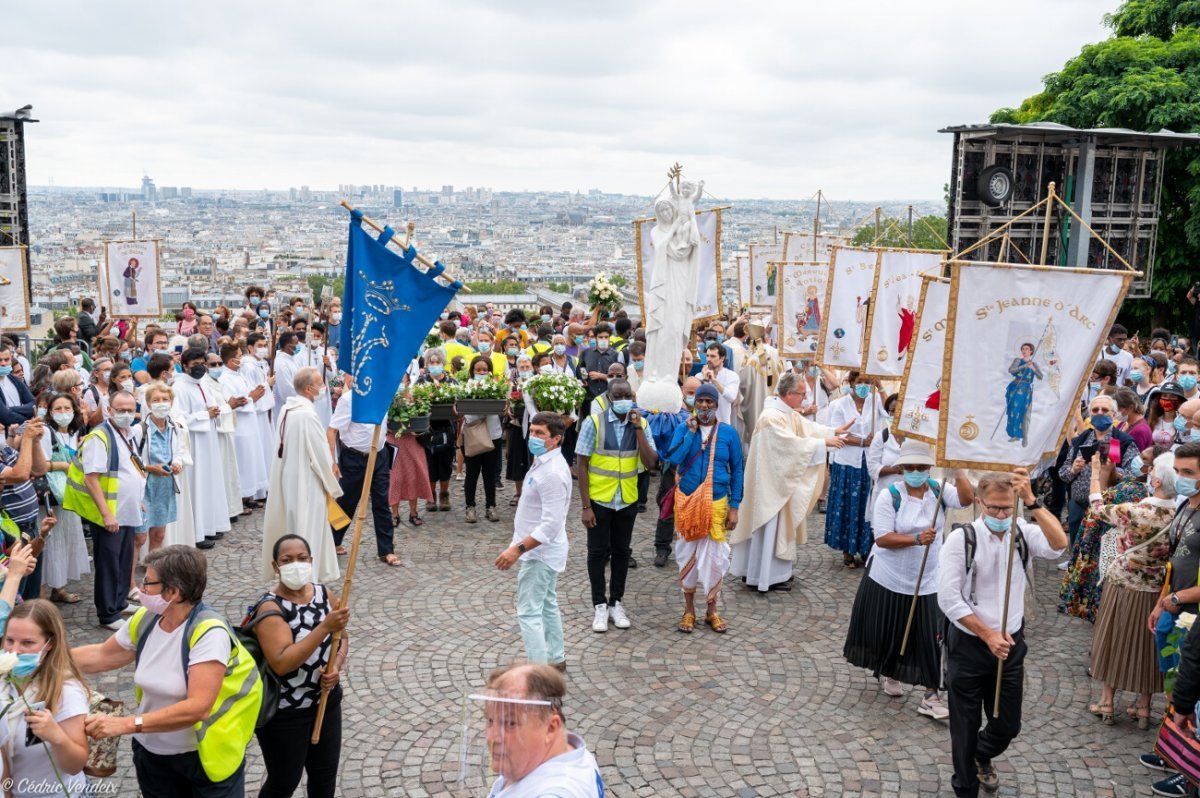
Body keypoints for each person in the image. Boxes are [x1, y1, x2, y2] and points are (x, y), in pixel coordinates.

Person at [75, 545, 262, 798]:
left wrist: (125, 724)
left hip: (203, 760)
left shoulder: (209, 632)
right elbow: (102, 655)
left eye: (148, 583)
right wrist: (45, 658)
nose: (141, 589)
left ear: (173, 592)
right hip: (153, 757)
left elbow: (198, 707)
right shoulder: (147, 618)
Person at [937, 469, 1067, 797]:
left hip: (1010, 644)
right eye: (994, 508)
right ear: (979, 503)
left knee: (1008, 725)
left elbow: (1059, 545)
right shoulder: (961, 539)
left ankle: (982, 754)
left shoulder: (1022, 531)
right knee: (964, 726)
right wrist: (986, 634)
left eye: (1007, 508)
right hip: (969, 644)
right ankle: (964, 786)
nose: (1000, 515)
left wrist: (1032, 502)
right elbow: (949, 598)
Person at [844, 440, 973, 720]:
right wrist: (916, 539)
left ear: (929, 468)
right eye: (911, 468)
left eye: (922, 467)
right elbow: (881, 537)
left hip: (928, 578)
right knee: (890, 627)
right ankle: (890, 671)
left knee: (929, 634)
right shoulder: (889, 496)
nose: (916, 471)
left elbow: (966, 499)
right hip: (889, 575)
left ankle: (930, 695)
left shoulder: (938, 490)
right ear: (902, 469)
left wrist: (959, 470)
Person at [730, 371, 848, 592]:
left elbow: (808, 428)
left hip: (780, 481)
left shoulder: (787, 413)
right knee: (769, 527)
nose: (804, 399)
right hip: (769, 485)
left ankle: (774, 574)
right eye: (802, 394)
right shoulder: (771, 417)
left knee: (779, 528)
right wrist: (823, 443)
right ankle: (761, 575)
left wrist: (833, 431)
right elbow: (789, 445)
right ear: (788, 394)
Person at [251, 535, 349, 798]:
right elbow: (282, 663)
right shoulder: (270, 609)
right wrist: (324, 627)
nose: (296, 564)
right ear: (276, 566)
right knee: (284, 781)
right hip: (286, 713)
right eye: (287, 560)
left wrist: (336, 667)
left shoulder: (324, 594)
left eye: (302, 558)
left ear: (311, 561)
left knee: (325, 776)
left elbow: (342, 639)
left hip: (326, 701)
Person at [1083, 449, 1175, 729]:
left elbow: (1097, 509)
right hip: (1156, 590)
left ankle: (1107, 702)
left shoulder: (1136, 511)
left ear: (1156, 482)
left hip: (1123, 583)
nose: (1150, 475)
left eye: (1153, 472)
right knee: (1147, 648)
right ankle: (1144, 707)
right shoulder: (1180, 514)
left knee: (1113, 638)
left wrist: (1096, 475)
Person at [575, 379, 657, 633]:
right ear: (609, 398)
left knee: (622, 552)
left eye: (627, 395)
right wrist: (585, 506)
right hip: (599, 500)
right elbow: (582, 465)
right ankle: (599, 604)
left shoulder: (641, 424)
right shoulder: (594, 422)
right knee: (597, 553)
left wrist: (638, 430)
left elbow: (651, 462)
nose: (623, 399)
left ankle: (616, 602)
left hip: (627, 500)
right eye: (618, 395)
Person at [662, 383, 743, 633]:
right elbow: (672, 459)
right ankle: (689, 611)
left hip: (717, 502)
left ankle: (712, 610)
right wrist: (689, 432)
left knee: (715, 559)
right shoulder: (683, 428)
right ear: (693, 404)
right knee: (687, 555)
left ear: (717, 405)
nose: (705, 406)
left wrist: (735, 506)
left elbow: (738, 469)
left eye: (709, 402)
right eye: (701, 401)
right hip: (687, 501)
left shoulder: (728, 433)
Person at [494, 413, 572, 671]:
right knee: (547, 603)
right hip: (542, 552)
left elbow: (550, 525)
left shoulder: (551, 472)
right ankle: (555, 657)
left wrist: (516, 550)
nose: (533, 437)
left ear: (556, 439)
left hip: (540, 554)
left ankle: (538, 671)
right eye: (533, 431)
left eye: (541, 433)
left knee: (529, 611)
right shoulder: (544, 461)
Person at [62, 391, 145, 630]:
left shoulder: (127, 433)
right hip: (110, 512)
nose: (126, 414)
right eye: (121, 410)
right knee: (108, 562)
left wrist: (137, 499)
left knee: (124, 558)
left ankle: (120, 601)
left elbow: (131, 468)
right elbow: (91, 478)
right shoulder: (100, 437)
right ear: (109, 410)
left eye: (130, 409)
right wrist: (106, 514)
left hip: (127, 509)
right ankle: (108, 613)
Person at [2, 599, 91, 797]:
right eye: (9, 640)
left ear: (51, 644)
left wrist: (56, 736)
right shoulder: (4, 682)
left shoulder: (65, 692)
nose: (14, 650)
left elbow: (76, 765)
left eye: (27, 643)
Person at [264, 367, 343, 584]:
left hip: (289, 477)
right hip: (307, 481)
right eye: (320, 384)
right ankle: (309, 577)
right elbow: (320, 454)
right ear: (309, 389)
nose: (323, 388)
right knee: (309, 526)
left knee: (295, 523)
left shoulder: (288, 409)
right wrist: (331, 483)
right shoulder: (307, 414)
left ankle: (299, 574)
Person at [476, 664, 603, 797]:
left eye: (510, 723)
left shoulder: (556, 793)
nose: (492, 736)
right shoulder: (577, 754)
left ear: (550, 728)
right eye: (490, 720)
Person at [328, 383, 398, 566]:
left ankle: (386, 549)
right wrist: (332, 461)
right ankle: (332, 541)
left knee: (382, 502)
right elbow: (332, 430)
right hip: (354, 457)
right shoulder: (348, 399)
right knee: (346, 502)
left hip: (379, 455)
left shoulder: (383, 393)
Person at [1060, 393, 1137, 553]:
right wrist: (1073, 469)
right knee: (1076, 551)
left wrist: (1114, 471)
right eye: (1095, 410)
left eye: (1105, 410)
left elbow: (1134, 477)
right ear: (1090, 414)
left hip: (1108, 510)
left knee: (1099, 554)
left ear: (1114, 414)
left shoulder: (1123, 441)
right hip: (1078, 506)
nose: (1100, 413)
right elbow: (1063, 473)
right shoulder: (1081, 439)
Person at [825, 372, 887, 568]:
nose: (864, 386)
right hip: (848, 462)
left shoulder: (875, 401)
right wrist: (861, 441)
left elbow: (892, 411)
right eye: (860, 382)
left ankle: (867, 547)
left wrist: (881, 386)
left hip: (870, 462)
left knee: (867, 505)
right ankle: (848, 550)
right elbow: (837, 432)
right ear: (851, 383)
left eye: (867, 383)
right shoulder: (840, 404)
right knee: (848, 504)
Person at [173, 348, 230, 549]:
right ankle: (196, 531)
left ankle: (210, 525)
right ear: (185, 366)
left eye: (202, 363)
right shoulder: (179, 387)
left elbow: (212, 405)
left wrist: (215, 411)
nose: (199, 368)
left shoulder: (202, 383)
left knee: (210, 482)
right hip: (194, 441)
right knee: (197, 484)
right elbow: (180, 418)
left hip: (209, 439)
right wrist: (205, 415)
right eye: (195, 364)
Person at [41, 393, 90, 605]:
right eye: (58, 409)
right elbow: (41, 464)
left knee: (66, 539)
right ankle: (40, 592)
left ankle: (58, 587)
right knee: (49, 541)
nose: (63, 413)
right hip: (52, 496)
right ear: (50, 412)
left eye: (66, 408)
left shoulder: (75, 432)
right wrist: (65, 465)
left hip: (70, 494)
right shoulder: (45, 433)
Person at [653, 376, 701, 568]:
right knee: (666, 509)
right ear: (682, 391)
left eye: (696, 394)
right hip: (672, 468)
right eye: (690, 393)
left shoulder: (704, 413)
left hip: (695, 470)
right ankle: (662, 549)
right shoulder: (672, 412)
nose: (693, 397)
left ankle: (693, 550)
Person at [217, 343, 269, 508]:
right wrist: (252, 397)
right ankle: (240, 499)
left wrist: (254, 395)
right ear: (232, 360)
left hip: (250, 423)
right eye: (240, 356)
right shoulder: (224, 379)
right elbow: (233, 402)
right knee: (243, 462)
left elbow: (247, 395)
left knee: (252, 459)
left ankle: (250, 495)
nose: (242, 359)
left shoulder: (238, 374)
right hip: (239, 426)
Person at [137, 382, 184, 559]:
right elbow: (132, 460)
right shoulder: (139, 430)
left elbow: (178, 452)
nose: (161, 403)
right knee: (139, 537)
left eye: (165, 399)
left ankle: (152, 573)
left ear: (171, 402)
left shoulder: (174, 428)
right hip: (145, 486)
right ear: (148, 404)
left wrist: (177, 463)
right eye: (156, 400)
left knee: (159, 534)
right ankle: (130, 583)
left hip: (164, 486)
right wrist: (150, 467)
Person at [462, 356, 505, 524]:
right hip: (473, 435)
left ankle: (491, 506)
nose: (481, 373)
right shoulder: (466, 388)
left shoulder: (496, 388)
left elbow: (502, 407)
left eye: (484, 370)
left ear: (489, 371)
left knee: (490, 473)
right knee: (471, 473)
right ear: (472, 371)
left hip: (493, 434)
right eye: (478, 370)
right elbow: (461, 408)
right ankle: (470, 507)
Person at [417, 348, 456, 514]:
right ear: (427, 364)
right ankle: (430, 495)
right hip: (428, 428)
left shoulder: (451, 382)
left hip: (447, 426)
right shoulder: (421, 382)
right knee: (430, 464)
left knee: (445, 463)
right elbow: (416, 402)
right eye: (431, 363)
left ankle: (444, 493)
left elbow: (458, 402)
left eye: (437, 362)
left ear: (443, 363)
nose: (435, 366)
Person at [698, 342, 740, 425]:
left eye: (713, 356)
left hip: (722, 424)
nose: (709, 359)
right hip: (702, 425)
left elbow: (731, 397)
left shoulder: (732, 376)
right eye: (707, 356)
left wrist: (714, 381)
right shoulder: (699, 376)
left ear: (722, 358)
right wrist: (704, 380)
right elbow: (695, 401)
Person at [0, 345, 35, 426]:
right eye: (0, 360)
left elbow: (33, 404)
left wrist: (10, 409)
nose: (3, 363)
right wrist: (28, 422)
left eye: (6, 359)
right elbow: (5, 416)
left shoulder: (13, 380)